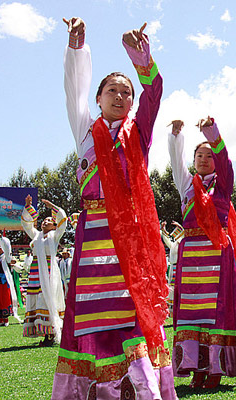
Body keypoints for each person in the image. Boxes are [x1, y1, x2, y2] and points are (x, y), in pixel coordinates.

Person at [54, 17, 175, 400]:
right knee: (92, 313)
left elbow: (153, 93)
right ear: (99, 98)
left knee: (130, 313)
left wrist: (141, 58)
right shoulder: (86, 131)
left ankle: (142, 389)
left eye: (126, 92)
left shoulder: (138, 132)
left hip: (131, 237)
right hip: (93, 238)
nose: (120, 97)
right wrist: (76, 49)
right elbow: (74, 91)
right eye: (112, 90)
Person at [168, 117, 236, 389]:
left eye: (209, 155)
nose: (204, 159)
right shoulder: (186, 186)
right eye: (199, 155)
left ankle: (214, 369)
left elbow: (227, 161)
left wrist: (212, 133)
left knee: (215, 312)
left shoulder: (223, 185)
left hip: (217, 255)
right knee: (192, 312)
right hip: (191, 255)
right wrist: (176, 137)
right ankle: (196, 368)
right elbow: (175, 163)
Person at [20, 195, 67, 346]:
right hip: (36, 272)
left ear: (54, 226)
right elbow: (27, 225)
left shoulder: (55, 236)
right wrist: (28, 206)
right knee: (37, 299)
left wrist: (52, 206)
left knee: (48, 299)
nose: (45, 222)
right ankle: (41, 331)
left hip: (49, 271)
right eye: (44, 220)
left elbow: (63, 221)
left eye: (49, 221)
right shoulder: (36, 236)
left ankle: (51, 333)